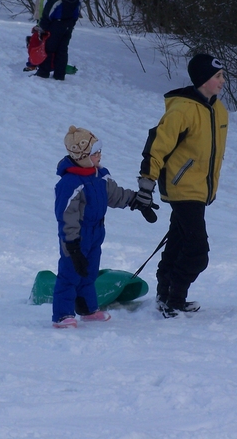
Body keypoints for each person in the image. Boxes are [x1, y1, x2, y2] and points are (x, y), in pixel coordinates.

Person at [134, 54, 228, 318]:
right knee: (198, 251)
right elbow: (157, 146)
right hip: (182, 188)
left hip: (200, 190)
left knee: (178, 241)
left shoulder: (219, 111)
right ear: (203, 80)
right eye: (217, 76)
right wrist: (146, 184)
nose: (223, 81)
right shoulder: (182, 110)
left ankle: (165, 294)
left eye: (222, 76)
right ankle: (175, 299)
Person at [52, 126, 157, 328]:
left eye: (99, 150)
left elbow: (115, 195)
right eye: (95, 152)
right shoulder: (70, 183)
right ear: (82, 155)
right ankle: (62, 315)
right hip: (75, 237)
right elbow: (66, 216)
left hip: (96, 233)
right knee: (70, 274)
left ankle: (88, 309)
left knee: (90, 272)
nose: (100, 155)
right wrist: (72, 245)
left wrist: (136, 201)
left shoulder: (100, 176)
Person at [35, 0, 81, 81]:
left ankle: (43, 73)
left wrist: (42, 27)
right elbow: (76, 13)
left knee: (48, 48)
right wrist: (71, 25)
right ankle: (59, 75)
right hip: (68, 26)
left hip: (55, 25)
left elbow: (48, 13)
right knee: (62, 50)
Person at [24, 0, 58, 71]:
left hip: (47, 23)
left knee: (36, 43)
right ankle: (35, 63)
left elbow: (47, 10)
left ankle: (33, 63)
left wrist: (40, 24)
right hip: (43, 21)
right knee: (38, 43)